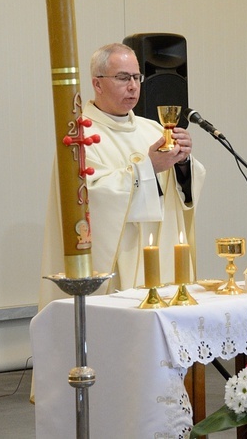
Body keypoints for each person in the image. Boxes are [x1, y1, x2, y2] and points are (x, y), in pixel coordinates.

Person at [38, 43, 206, 308]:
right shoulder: (80, 135)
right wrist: (148, 167)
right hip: (115, 272)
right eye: (122, 77)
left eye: (137, 77)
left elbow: (180, 197)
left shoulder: (153, 130)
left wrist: (182, 163)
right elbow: (87, 197)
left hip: (160, 267)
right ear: (98, 83)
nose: (133, 86)